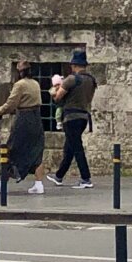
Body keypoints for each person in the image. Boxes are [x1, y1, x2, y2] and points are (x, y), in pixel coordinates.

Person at [0, 62, 46, 195]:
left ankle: (3, 183)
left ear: (20, 72)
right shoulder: (35, 83)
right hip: (37, 118)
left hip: (24, 119)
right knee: (36, 150)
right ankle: (39, 184)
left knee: (11, 149)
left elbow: (11, 103)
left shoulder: (20, 84)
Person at [49, 48, 96, 189]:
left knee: (77, 148)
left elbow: (58, 98)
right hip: (84, 116)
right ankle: (59, 176)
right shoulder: (91, 80)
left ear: (74, 65)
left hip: (71, 117)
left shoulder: (71, 79)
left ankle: (86, 178)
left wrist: (53, 93)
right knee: (70, 148)